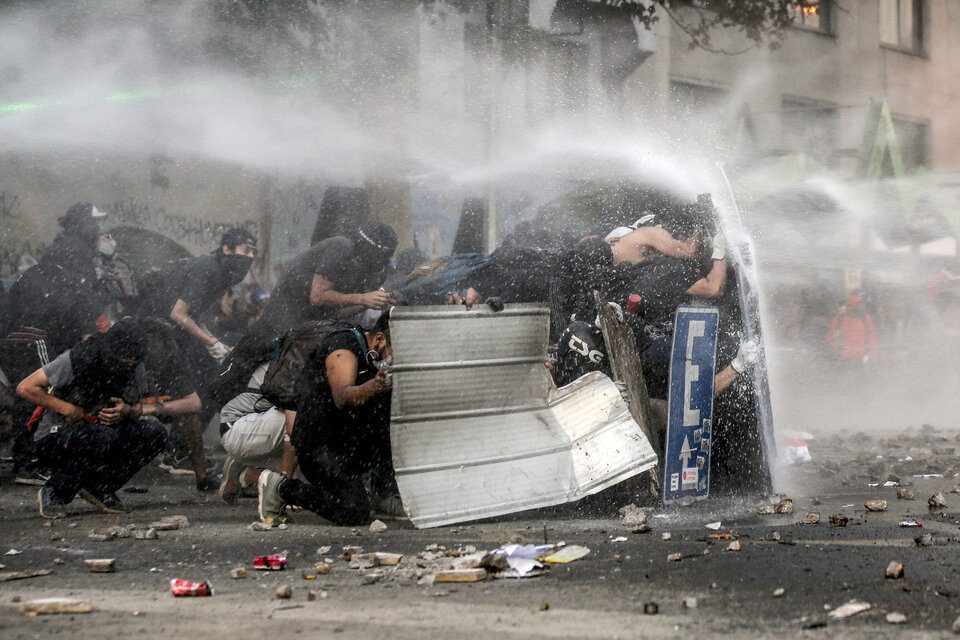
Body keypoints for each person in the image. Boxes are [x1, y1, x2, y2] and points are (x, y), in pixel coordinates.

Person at [0, 203, 108, 483]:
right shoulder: (75, 251)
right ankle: (29, 462)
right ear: (81, 223)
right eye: (94, 223)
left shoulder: (61, 248)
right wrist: (88, 338)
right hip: (34, 333)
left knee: (32, 392)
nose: (97, 229)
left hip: (22, 332)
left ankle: (29, 456)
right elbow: (81, 297)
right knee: (36, 391)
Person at [15, 320, 167, 518]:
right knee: (100, 437)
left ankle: (100, 487)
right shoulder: (79, 357)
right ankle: (55, 490)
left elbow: (137, 405)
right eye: (123, 361)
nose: (128, 366)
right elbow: (25, 387)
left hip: (104, 432)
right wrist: (68, 409)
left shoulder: (136, 362)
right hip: (56, 437)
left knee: (154, 433)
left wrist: (126, 411)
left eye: (132, 363)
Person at [138, 227, 256, 474]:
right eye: (246, 250)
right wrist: (210, 342)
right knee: (202, 390)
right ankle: (177, 453)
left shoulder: (220, 271)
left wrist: (212, 340)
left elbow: (190, 315)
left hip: (170, 335)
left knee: (207, 386)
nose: (250, 256)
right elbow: (177, 314)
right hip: (159, 336)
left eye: (253, 251)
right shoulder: (210, 270)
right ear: (227, 249)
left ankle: (178, 451)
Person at [257, 313, 394, 526]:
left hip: (347, 443)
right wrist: (374, 386)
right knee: (353, 512)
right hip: (319, 447)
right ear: (379, 340)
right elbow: (342, 396)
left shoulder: (371, 357)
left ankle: (380, 492)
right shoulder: (343, 346)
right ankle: (281, 487)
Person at [257, 223, 399, 339]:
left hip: (307, 323)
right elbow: (318, 297)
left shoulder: (360, 270)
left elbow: (334, 313)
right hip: (282, 319)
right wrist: (362, 299)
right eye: (385, 256)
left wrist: (371, 303)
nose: (383, 265)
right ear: (373, 251)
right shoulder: (341, 247)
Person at [218, 363, 297, 505]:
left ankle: (246, 475)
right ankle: (274, 487)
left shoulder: (294, 352)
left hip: (250, 426)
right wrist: (284, 495)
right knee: (302, 423)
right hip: (239, 428)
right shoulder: (295, 360)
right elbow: (291, 433)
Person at [826, 287, 879, 367]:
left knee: (843, 378)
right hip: (860, 358)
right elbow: (871, 338)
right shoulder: (865, 318)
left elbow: (830, 337)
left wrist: (837, 351)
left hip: (843, 358)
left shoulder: (840, 318)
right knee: (859, 378)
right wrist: (874, 356)